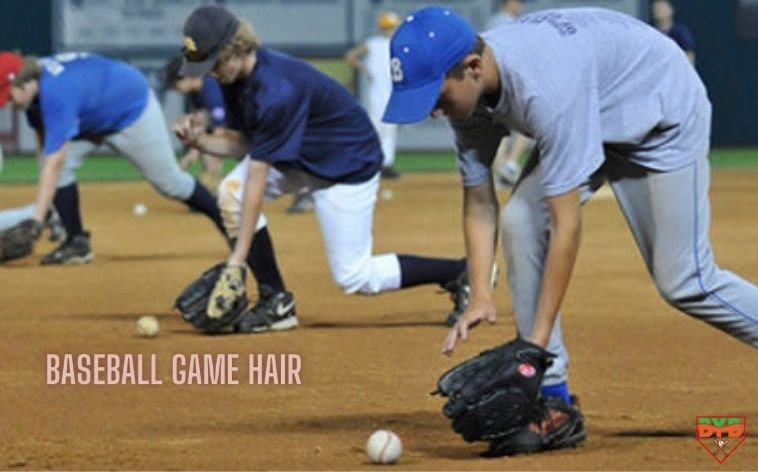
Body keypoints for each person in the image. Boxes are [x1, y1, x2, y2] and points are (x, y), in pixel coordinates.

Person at [383, 6, 758, 454]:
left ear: (474, 67)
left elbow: (566, 227)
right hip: (597, 108)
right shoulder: (469, 93)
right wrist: (481, 292)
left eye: (437, 98)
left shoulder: (544, 89)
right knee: (522, 218)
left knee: (685, 280)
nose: (434, 112)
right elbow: (479, 200)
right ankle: (555, 404)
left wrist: (534, 344)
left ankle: (542, 364)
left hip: (660, 112)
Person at [172, 5, 471, 333]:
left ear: (236, 48)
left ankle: (458, 272)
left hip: (345, 166)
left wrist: (236, 260)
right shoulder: (234, 80)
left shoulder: (276, 90)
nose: (210, 72)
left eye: (212, 61)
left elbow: (258, 174)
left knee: (355, 277)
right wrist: (200, 140)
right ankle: (276, 302)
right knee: (232, 193)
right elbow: (247, 144)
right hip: (301, 158)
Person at [0, 51, 226, 265]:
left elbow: (54, 161)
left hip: (130, 109)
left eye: (8, 94)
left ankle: (229, 225)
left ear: (22, 81)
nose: (8, 101)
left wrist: (36, 222)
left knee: (170, 182)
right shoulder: (33, 93)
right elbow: (46, 151)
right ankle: (77, 242)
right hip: (92, 115)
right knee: (59, 168)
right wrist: (46, 206)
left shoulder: (55, 92)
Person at [345, 11, 402, 179]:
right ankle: (371, 163)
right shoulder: (374, 43)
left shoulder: (398, 44)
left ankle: (387, 164)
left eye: (391, 27)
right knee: (376, 129)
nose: (390, 30)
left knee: (390, 130)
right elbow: (350, 56)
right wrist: (365, 69)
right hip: (377, 94)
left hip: (393, 94)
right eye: (388, 27)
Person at [163, 55, 227, 192]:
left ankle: (215, 187)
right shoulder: (196, 92)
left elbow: (219, 132)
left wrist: (211, 164)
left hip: (251, 121)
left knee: (212, 151)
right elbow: (200, 126)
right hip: (232, 122)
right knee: (205, 148)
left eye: (175, 84)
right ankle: (213, 190)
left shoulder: (211, 88)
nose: (174, 89)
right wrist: (191, 155)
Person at [486, 0, 530, 189]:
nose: (521, 5)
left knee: (499, 126)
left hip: (494, 81)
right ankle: (510, 165)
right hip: (510, 79)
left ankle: (502, 169)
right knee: (530, 122)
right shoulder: (511, 23)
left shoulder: (492, 22)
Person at [651, 0, 696, 65]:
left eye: (662, 8)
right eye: (656, 9)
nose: (658, 11)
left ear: (671, 10)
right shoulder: (651, 33)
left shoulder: (680, 32)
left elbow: (689, 54)